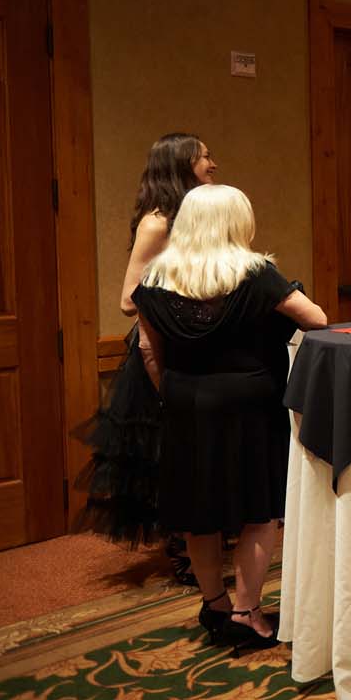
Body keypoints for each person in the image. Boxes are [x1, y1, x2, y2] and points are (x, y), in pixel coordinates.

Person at [133, 184, 326, 651]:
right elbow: (317, 320)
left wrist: (176, 393)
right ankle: (247, 612)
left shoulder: (156, 280)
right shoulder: (257, 275)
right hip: (249, 402)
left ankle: (216, 605)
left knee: (200, 513)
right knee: (258, 510)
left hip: (183, 401)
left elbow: (146, 350)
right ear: (237, 223)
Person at [77, 133, 217, 584]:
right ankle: (183, 550)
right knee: (171, 450)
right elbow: (126, 298)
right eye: (205, 157)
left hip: (193, 343)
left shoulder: (194, 218)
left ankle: (203, 542)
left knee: (199, 444)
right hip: (160, 347)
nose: (213, 164)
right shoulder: (157, 223)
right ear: (182, 165)